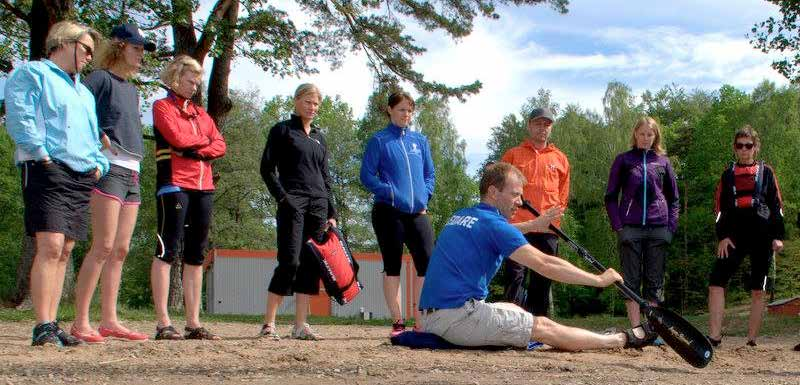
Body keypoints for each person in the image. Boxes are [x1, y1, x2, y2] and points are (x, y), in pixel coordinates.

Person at [417, 162, 655, 350]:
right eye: (515, 195)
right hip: (456, 318)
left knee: (517, 310)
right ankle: (619, 340)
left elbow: (496, 234)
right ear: (493, 191)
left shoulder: (465, 216)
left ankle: (590, 337)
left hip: (432, 317)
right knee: (542, 325)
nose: (519, 202)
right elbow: (545, 264)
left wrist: (533, 225)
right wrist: (599, 279)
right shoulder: (494, 225)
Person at [4, 21, 109, 346]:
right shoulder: (32, 73)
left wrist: (99, 165)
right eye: (86, 48)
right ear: (64, 42)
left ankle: (53, 323)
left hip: (81, 174)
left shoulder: (84, 93)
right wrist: (41, 155)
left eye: (92, 52)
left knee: (65, 249)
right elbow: (19, 116)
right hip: (46, 168)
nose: (89, 57)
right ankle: (43, 324)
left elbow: (95, 137)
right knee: (49, 244)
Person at [71, 23, 156, 344]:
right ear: (120, 47)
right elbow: (78, 112)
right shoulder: (99, 79)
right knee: (103, 246)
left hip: (133, 171)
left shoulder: (132, 89)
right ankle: (80, 321)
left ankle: (109, 320)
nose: (141, 56)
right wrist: (97, 141)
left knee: (120, 250)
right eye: (137, 49)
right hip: (108, 170)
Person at [150, 55, 227, 340]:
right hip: (174, 185)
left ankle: (193, 323)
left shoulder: (200, 113)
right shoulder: (162, 106)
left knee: (196, 254)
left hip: (204, 186)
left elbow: (220, 145)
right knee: (167, 250)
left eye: (197, 82)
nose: (195, 86)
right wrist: (200, 144)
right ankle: (163, 322)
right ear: (175, 77)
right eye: (190, 80)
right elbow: (176, 138)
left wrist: (197, 149)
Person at [259, 83, 337, 341]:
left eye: (316, 104)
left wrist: (331, 211)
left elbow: (326, 177)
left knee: (310, 265)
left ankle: (300, 325)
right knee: (290, 261)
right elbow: (267, 169)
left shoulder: (320, 137)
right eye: (307, 102)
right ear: (296, 101)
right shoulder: (282, 130)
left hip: (318, 205)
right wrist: (283, 198)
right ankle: (269, 324)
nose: (312, 107)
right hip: (293, 202)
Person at [360, 91, 435, 336]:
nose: (406, 114)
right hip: (388, 212)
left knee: (426, 263)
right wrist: (390, 192)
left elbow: (429, 175)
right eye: (402, 109)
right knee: (393, 265)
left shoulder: (420, 141)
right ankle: (398, 321)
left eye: (410, 110)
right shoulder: (379, 141)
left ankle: (421, 320)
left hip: (418, 212)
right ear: (390, 110)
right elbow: (367, 176)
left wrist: (426, 196)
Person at [707, 126, 784, 347]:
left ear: (755, 148)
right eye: (739, 145)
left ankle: (751, 341)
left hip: (762, 237)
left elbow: (776, 206)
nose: (744, 150)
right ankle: (714, 337)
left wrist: (777, 236)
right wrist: (722, 236)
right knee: (716, 283)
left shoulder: (767, 172)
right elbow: (719, 209)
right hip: (733, 237)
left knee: (758, 290)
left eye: (748, 145)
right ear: (735, 148)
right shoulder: (727, 174)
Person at [604, 117, 679, 331]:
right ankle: (637, 330)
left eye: (650, 134)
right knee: (631, 280)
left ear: (656, 136)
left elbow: (674, 199)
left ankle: (652, 329)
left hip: (658, 229)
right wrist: (619, 226)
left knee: (655, 282)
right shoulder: (624, 160)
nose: (646, 138)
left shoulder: (663, 162)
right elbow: (610, 197)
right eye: (642, 133)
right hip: (630, 229)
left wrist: (670, 228)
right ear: (635, 134)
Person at [500, 107, 570, 316]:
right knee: (515, 276)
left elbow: (563, 195)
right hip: (518, 227)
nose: (542, 128)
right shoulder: (513, 154)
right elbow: (501, 187)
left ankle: (539, 327)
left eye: (547, 124)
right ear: (529, 126)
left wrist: (555, 217)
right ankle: (508, 323)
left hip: (548, 229)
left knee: (544, 276)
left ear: (551, 128)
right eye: (538, 124)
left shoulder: (560, 159)